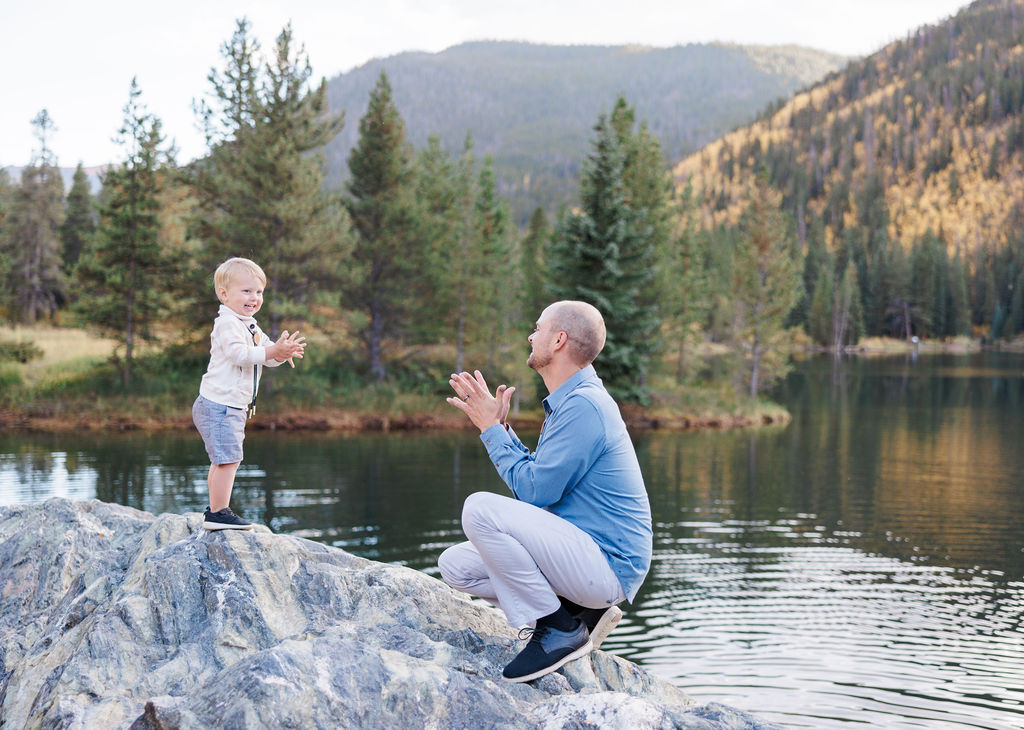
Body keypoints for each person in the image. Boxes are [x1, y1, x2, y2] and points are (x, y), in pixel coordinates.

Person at [439, 300, 652, 683]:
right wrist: (501, 430)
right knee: (456, 565)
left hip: (607, 564)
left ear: (558, 340)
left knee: (479, 509)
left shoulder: (585, 405)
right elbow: (541, 485)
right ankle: (575, 613)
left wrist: (491, 432)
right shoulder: (571, 400)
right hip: (584, 557)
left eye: (538, 328)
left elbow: (535, 493)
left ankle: (557, 630)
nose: (530, 335)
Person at [192, 257, 306, 531]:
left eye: (259, 292)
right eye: (246, 291)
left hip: (230, 405)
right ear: (224, 294)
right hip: (219, 404)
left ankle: (215, 510)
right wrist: (271, 352)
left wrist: (281, 353)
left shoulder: (249, 324)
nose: (254, 298)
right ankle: (218, 514)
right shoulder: (228, 324)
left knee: (223, 459)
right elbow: (239, 354)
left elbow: (266, 355)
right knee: (229, 459)